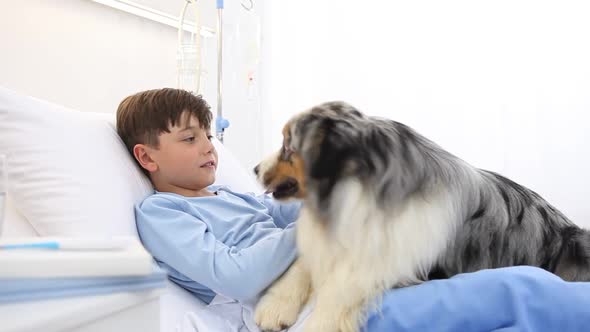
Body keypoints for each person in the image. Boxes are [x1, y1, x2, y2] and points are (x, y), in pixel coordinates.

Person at [116, 88, 300, 304]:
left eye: (209, 136)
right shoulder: (162, 211)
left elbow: (294, 209)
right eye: (190, 138)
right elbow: (236, 278)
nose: (209, 147)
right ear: (147, 157)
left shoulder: (232, 196)